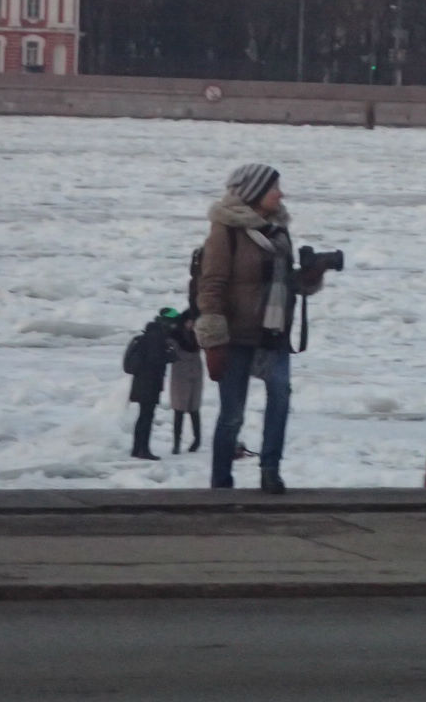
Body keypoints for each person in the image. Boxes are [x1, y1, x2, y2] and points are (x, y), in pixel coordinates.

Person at [195, 164, 326, 493]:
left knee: (280, 396)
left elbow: (284, 281)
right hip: (237, 334)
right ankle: (221, 480)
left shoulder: (279, 228)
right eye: (273, 189)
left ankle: (270, 470)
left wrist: (311, 277)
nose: (280, 194)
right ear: (253, 192)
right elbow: (211, 285)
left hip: (274, 333)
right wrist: (213, 340)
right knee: (232, 413)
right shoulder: (225, 230)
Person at [127, 314, 177, 461]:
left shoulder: (145, 338)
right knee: (147, 417)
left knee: (142, 416)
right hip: (150, 384)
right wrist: (169, 350)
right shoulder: (157, 339)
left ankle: (137, 449)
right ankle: (144, 449)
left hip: (140, 383)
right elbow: (160, 360)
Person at [162, 304, 204, 454]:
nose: (192, 324)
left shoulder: (198, 335)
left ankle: (197, 440)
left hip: (195, 374)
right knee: (179, 410)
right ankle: (176, 443)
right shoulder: (175, 336)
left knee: (194, 409)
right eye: (190, 321)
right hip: (180, 375)